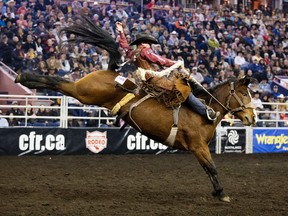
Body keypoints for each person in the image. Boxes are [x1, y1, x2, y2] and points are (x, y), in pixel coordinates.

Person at [115, 21, 219, 121]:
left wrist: (121, 33)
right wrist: (175, 63)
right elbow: (160, 60)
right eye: (149, 43)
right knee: (184, 91)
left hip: (145, 82)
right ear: (143, 43)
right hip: (155, 80)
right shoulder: (145, 50)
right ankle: (206, 112)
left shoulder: (133, 52)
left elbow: (124, 46)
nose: (150, 45)